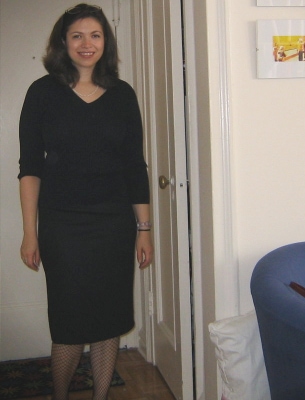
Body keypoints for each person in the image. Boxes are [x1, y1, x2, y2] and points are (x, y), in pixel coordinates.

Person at [18, 4, 153, 400]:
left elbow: (135, 167)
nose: (86, 43)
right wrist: (31, 232)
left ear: (105, 43)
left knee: (109, 322)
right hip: (62, 225)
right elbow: (29, 168)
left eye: (95, 35)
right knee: (69, 323)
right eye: (77, 35)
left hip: (114, 224)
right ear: (63, 42)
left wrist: (144, 230)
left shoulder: (123, 95)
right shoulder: (42, 93)